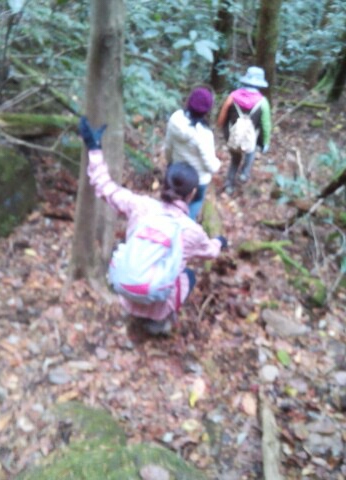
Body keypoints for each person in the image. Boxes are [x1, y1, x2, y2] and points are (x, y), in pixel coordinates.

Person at [78, 116, 227, 335]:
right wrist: (220, 241)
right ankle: (159, 322)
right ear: (192, 194)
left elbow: (104, 186)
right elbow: (210, 252)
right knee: (188, 276)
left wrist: (94, 149)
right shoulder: (191, 231)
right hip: (155, 296)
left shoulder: (140, 206)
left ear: (164, 185)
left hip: (126, 289)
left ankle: (137, 312)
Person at [164, 87, 220, 220]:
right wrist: (218, 164)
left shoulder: (175, 120)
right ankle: (187, 224)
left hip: (176, 174)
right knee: (196, 200)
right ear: (207, 110)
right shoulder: (204, 134)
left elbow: (168, 147)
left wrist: (170, 164)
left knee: (170, 202)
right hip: (197, 180)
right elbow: (210, 166)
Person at [217, 66, 272, 195]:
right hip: (250, 139)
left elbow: (221, 119)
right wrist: (265, 142)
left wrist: (224, 131)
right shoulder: (263, 102)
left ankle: (229, 184)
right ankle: (244, 173)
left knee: (235, 159)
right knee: (250, 151)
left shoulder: (232, 97)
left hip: (233, 136)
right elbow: (266, 125)